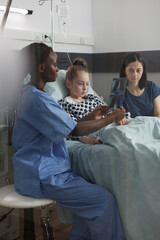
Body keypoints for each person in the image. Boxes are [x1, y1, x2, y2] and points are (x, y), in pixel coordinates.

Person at [11, 42, 126, 240]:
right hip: (42, 175)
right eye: (54, 65)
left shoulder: (35, 96)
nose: (58, 69)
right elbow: (74, 129)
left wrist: (92, 115)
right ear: (41, 68)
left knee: (88, 207)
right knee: (103, 201)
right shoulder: (38, 99)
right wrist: (112, 118)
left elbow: (65, 125)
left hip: (45, 171)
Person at [59, 58, 128, 144]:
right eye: (80, 83)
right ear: (68, 84)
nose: (85, 88)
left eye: (87, 84)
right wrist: (84, 139)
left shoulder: (93, 98)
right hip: (96, 131)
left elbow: (109, 112)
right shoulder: (65, 104)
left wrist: (121, 118)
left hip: (112, 125)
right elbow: (71, 129)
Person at [120, 52, 160, 118]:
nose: (134, 74)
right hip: (128, 127)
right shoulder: (118, 88)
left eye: (138, 70)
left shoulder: (152, 87)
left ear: (143, 71)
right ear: (124, 71)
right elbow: (114, 115)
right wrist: (119, 119)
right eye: (130, 70)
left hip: (150, 126)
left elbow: (159, 114)